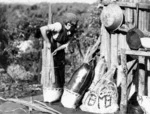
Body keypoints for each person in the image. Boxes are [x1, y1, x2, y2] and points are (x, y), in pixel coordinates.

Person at [40, 12, 79, 102]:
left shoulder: (71, 31)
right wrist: (48, 42)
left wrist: (57, 50)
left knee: (60, 73)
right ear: (68, 24)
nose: (75, 27)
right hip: (49, 51)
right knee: (50, 73)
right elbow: (42, 29)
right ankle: (50, 94)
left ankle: (58, 93)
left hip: (58, 52)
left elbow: (66, 45)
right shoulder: (58, 26)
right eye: (74, 25)